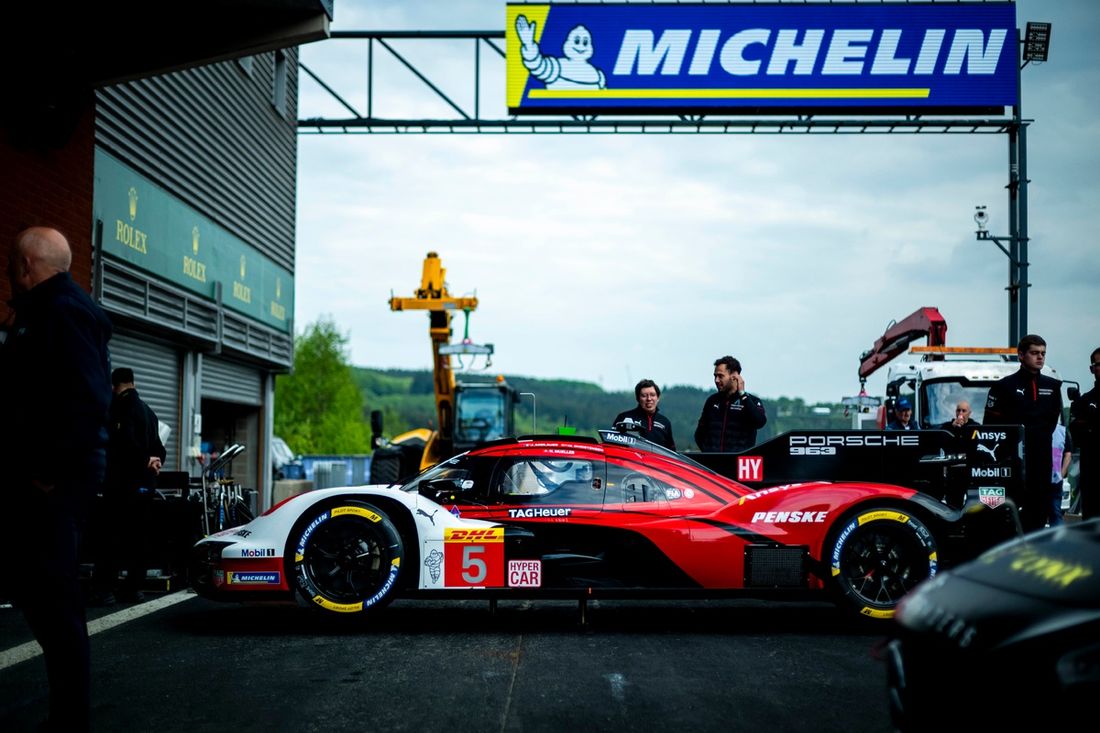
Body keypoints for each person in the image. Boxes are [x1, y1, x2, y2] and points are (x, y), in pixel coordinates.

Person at [0, 226, 112, 731]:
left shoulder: (61, 311)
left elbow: (88, 398)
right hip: (43, 485)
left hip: (50, 489)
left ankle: (69, 722)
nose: (9, 272)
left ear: (25, 265)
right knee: (44, 600)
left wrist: (49, 473)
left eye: (11, 264)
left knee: (55, 605)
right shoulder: (48, 310)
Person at [89, 367, 167, 605]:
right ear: (133, 383)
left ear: (114, 386)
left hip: (122, 485)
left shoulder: (119, 408)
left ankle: (104, 590)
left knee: (111, 537)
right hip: (146, 486)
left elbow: (123, 443)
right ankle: (133, 589)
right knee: (139, 538)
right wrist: (154, 461)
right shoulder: (149, 411)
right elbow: (159, 449)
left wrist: (143, 460)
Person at [985, 334, 1063, 532]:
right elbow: (990, 426)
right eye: (1035, 353)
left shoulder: (1053, 386)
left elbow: (1051, 424)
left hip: (1041, 462)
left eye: (1043, 353)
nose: (1040, 357)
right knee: (1007, 514)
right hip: (1011, 462)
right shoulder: (1003, 386)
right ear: (1021, 355)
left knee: (1039, 513)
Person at [694, 356, 767, 452]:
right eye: (715, 376)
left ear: (734, 376)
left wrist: (743, 395)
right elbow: (699, 435)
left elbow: (760, 422)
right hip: (712, 459)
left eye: (720, 376)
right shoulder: (712, 401)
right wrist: (708, 453)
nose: (716, 380)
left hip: (737, 460)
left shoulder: (752, 401)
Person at [1069, 347, 1100, 520]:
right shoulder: (1084, 401)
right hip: (1093, 475)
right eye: (1099, 364)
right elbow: (1078, 437)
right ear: (1092, 369)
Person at [613, 378, 676, 449]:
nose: (649, 399)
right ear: (638, 399)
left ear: (658, 398)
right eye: (644, 396)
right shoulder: (623, 418)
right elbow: (612, 445)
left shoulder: (665, 422)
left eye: (652, 395)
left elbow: (671, 451)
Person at [1049, 420, 1073, 526]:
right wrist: (1061, 475)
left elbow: (1068, 455)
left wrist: (1061, 475)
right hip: (1055, 477)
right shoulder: (1062, 431)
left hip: (1047, 478)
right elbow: (1068, 455)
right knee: (1055, 512)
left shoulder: (1035, 428)